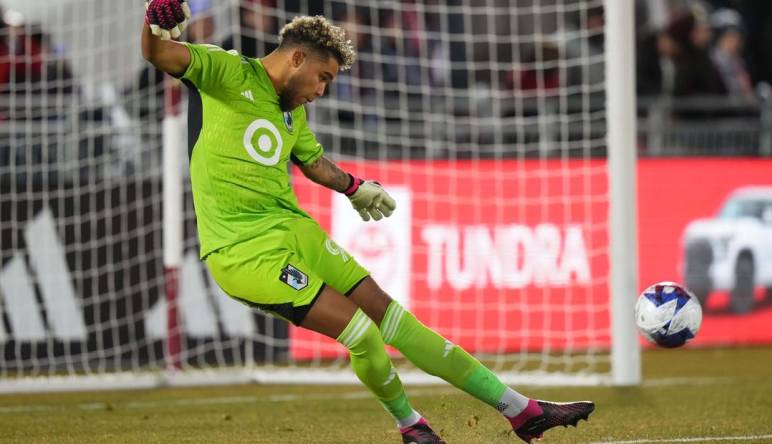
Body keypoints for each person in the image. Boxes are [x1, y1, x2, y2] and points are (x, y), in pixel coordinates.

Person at [141, 2, 594, 443]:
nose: (322, 91)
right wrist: (154, 20)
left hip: (295, 231)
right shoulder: (226, 71)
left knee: (393, 317)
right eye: (323, 77)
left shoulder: (291, 112)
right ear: (297, 57)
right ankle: (411, 426)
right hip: (242, 251)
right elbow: (158, 53)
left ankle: (522, 410)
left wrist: (354, 187)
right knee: (360, 331)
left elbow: (313, 162)